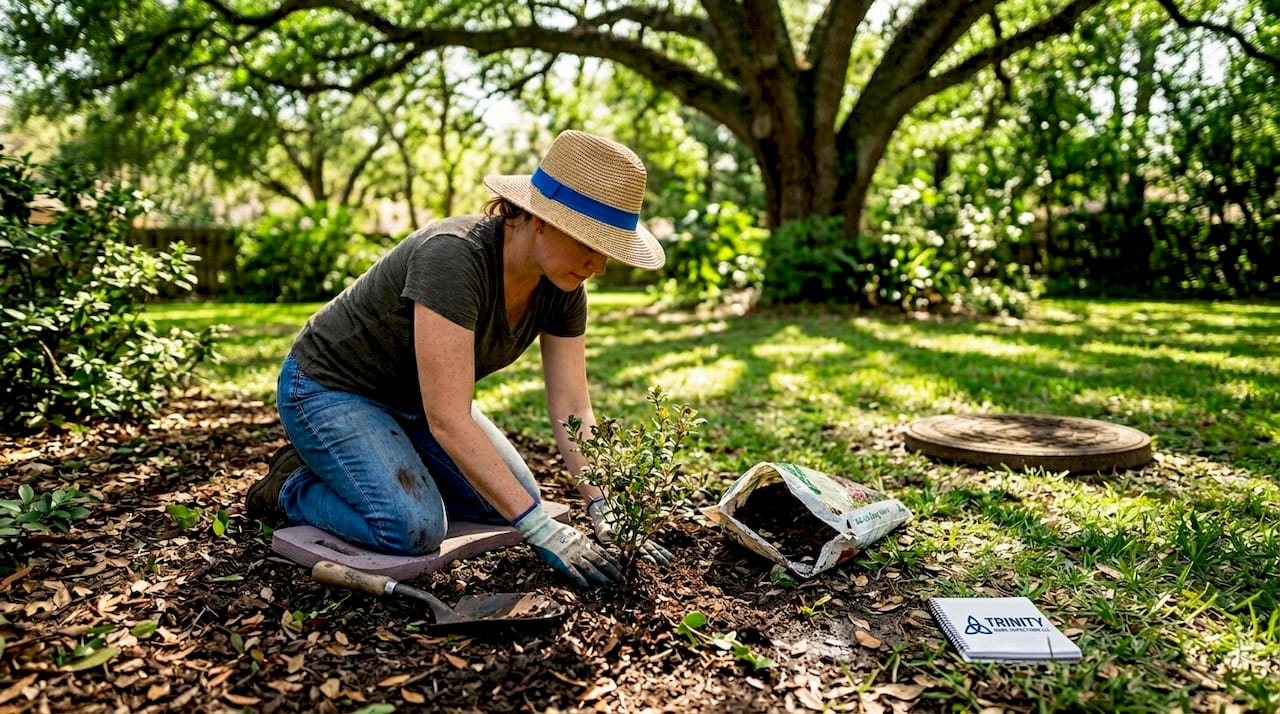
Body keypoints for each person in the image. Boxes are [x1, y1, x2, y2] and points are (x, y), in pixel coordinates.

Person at [245, 129, 673, 587]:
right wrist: (540, 528)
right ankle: (290, 486)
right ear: (542, 218)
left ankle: (380, 458)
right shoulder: (453, 256)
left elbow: (572, 406)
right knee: (413, 528)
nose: (600, 266)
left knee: (508, 504)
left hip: (418, 403)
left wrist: (604, 506)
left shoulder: (564, 287)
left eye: (607, 251)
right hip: (330, 388)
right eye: (591, 244)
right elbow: (449, 418)